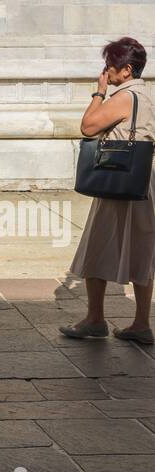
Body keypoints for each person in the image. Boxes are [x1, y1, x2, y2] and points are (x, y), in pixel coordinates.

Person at [61, 37, 155, 344]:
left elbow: (88, 127)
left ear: (126, 70)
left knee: (97, 244)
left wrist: (99, 92)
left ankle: (95, 319)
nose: (105, 71)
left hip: (118, 181)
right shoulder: (149, 95)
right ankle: (141, 323)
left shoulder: (123, 97)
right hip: (145, 182)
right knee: (143, 251)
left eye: (110, 66)